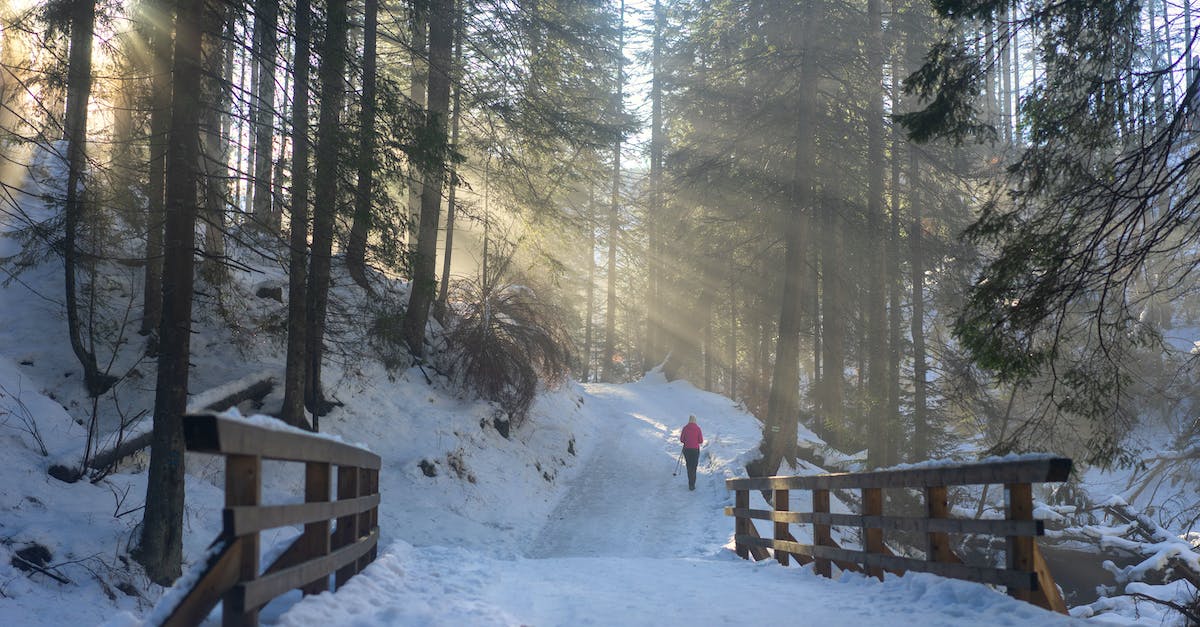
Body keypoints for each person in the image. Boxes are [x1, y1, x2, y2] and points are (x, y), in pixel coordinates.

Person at [679, 415, 703, 491]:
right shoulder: (698, 429)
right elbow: (700, 441)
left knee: (689, 466)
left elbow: (682, 440)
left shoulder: (685, 428)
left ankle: (690, 483)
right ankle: (693, 484)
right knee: (694, 466)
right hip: (695, 450)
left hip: (686, 449)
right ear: (695, 420)